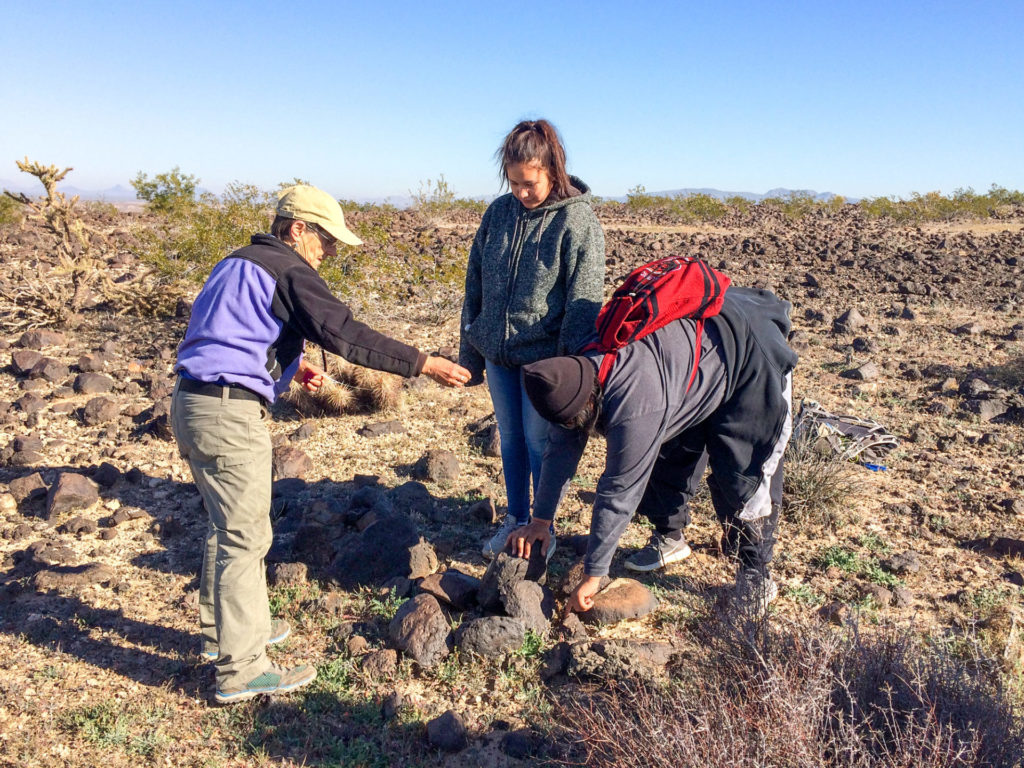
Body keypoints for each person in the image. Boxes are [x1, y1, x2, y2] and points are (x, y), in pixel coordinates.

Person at [172, 184, 471, 704]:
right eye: (326, 240)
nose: (330, 251)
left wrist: (289, 363)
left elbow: (229, 329)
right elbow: (345, 333)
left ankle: (227, 634)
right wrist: (421, 362)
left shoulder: (238, 261)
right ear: (296, 230)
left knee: (232, 527)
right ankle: (241, 670)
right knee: (243, 536)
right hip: (226, 411)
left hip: (192, 402)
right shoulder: (288, 268)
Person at [508, 286, 798, 615]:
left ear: (591, 400)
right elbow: (559, 451)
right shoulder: (573, 375)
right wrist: (540, 521)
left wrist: (594, 575)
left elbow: (618, 489)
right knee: (671, 451)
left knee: (742, 474)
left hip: (750, 351)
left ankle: (755, 572)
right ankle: (670, 537)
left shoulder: (636, 402)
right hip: (693, 360)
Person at [459, 119, 605, 559]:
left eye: (530, 183)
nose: (521, 192)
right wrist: (471, 351)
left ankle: (544, 526)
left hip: (545, 362)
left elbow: (584, 301)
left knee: (541, 442)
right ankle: (514, 520)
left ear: (553, 169)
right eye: (514, 182)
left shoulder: (578, 221)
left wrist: (572, 376)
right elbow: (475, 283)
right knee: (511, 439)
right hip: (500, 354)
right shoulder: (499, 214)